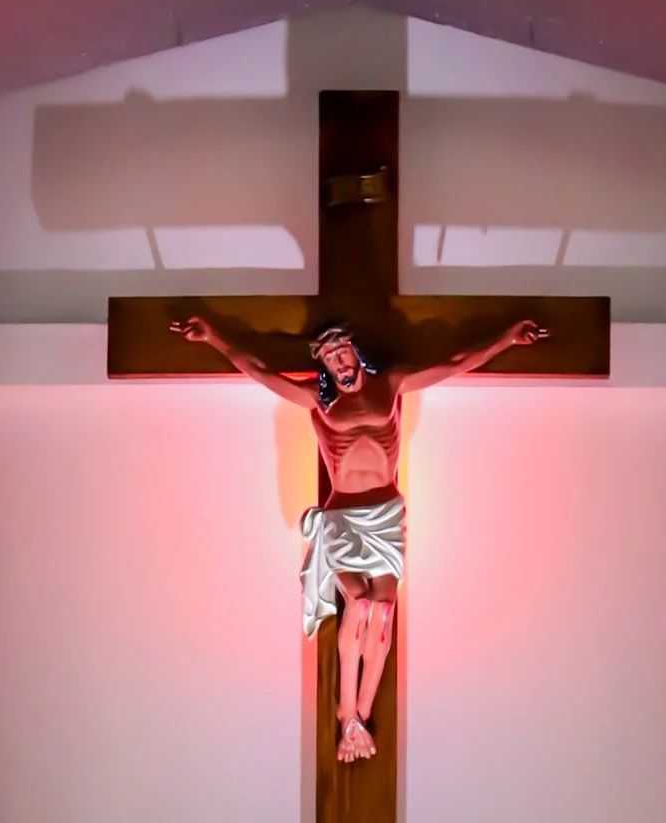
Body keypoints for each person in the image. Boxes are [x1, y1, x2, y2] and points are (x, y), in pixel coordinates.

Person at [170, 312, 547, 759]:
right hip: (343, 516)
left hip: (386, 515)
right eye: (328, 356)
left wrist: (506, 337)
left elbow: (457, 361)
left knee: (384, 611)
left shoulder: (391, 384)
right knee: (361, 603)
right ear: (323, 366)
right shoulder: (317, 400)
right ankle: (345, 708)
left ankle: (358, 718)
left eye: (341, 350)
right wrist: (212, 336)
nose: (338, 361)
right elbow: (259, 370)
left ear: (356, 352)